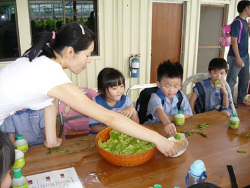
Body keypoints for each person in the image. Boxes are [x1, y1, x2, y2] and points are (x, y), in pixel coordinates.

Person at [0, 22, 176, 157]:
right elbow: (109, 118)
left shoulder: (43, 59)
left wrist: (52, 140)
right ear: (70, 52)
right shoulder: (50, 74)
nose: (89, 60)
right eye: (87, 54)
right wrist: (158, 139)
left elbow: (49, 99)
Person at [143, 60, 193, 136]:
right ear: (158, 84)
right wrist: (167, 122)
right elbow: (158, 110)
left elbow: (189, 113)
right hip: (152, 130)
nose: (172, 90)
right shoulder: (155, 97)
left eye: (176, 86)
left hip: (171, 129)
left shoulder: (180, 95)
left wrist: (170, 118)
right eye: (167, 86)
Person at [89, 68, 139, 134]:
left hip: (121, 135)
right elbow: (94, 127)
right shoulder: (96, 103)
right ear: (102, 90)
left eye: (121, 86)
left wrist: (132, 110)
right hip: (100, 135)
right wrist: (114, 129)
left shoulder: (127, 101)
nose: (120, 91)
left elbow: (136, 124)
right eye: (114, 88)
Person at [226, 0, 250, 107]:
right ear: (246, 8)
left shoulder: (245, 22)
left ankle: (241, 100)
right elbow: (234, 41)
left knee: (245, 79)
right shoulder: (237, 22)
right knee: (231, 81)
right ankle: (229, 103)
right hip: (236, 57)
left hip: (245, 56)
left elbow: (245, 37)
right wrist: (238, 58)